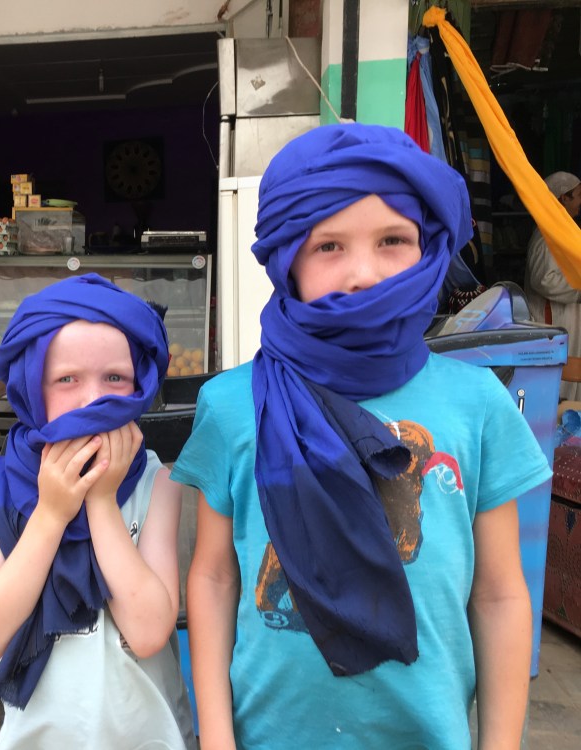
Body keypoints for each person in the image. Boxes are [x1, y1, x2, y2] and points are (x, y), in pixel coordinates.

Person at [172, 123, 551, 750]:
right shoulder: (233, 405)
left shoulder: (476, 402)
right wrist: (216, 738)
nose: (363, 273)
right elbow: (213, 579)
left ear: (429, 248)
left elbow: (500, 592)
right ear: (288, 256)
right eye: (329, 247)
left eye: (392, 240)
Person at [0, 273, 195, 749]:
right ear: (33, 387)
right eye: (67, 379)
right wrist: (50, 514)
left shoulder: (158, 484)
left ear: (138, 385)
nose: (93, 399)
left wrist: (102, 500)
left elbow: (150, 631)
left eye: (114, 377)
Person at [523, 171, 581, 400]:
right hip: (553, 320)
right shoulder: (546, 234)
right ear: (563, 198)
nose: (580, 201)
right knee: (558, 384)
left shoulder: (560, 230)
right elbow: (544, 279)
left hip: (565, 317)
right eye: (577, 195)